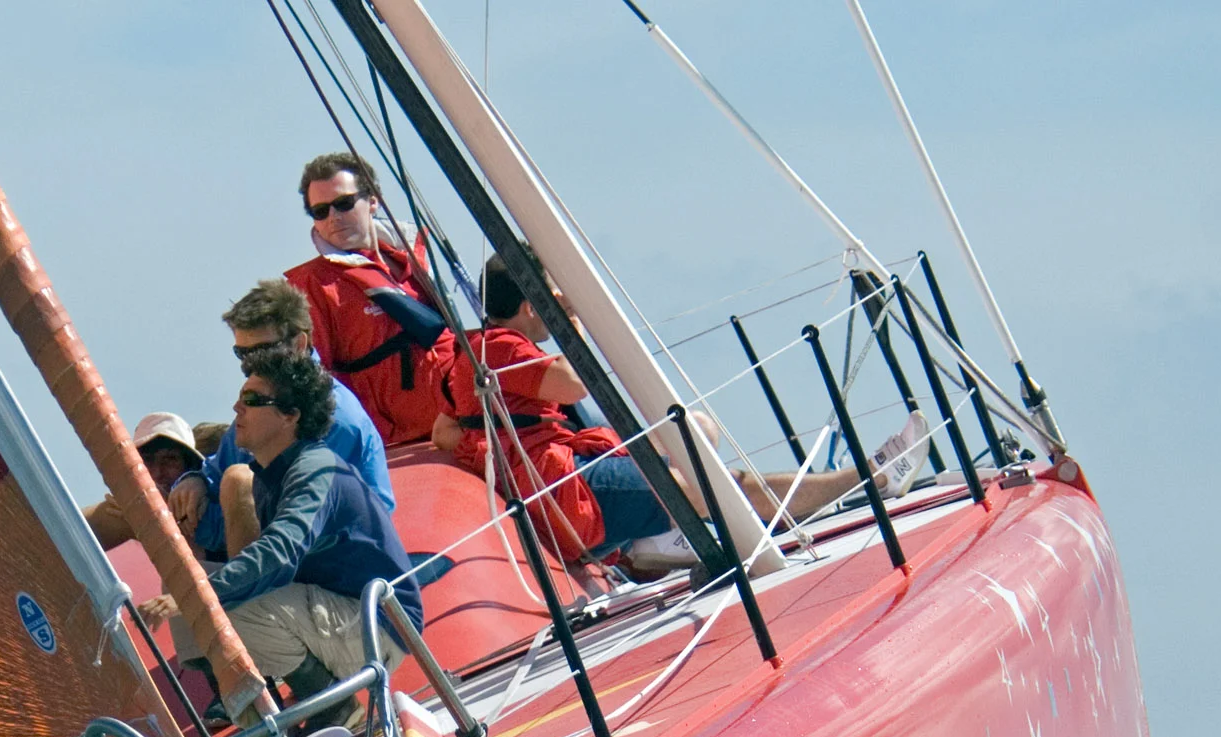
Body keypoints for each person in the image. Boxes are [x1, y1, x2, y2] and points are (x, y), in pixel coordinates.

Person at [435, 253, 903, 567]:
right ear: (530, 306)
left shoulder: (473, 351)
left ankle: (656, 539)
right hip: (569, 491)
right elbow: (573, 383)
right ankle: (869, 480)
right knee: (709, 485)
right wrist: (574, 321)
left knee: (697, 429)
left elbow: (443, 431)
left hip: (568, 470)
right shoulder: (498, 349)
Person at [134, 350, 419, 690]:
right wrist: (188, 485)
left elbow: (281, 550)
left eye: (253, 400)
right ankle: (242, 707)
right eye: (239, 399)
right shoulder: (270, 475)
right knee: (187, 580)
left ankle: (332, 704)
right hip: (336, 612)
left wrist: (193, 595)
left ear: (290, 416)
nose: (237, 409)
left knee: (224, 606)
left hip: (378, 626)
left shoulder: (315, 470)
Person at [206, 279, 393, 561]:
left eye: (261, 351)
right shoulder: (259, 404)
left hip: (330, 570)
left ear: (299, 343)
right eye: (241, 353)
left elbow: (291, 526)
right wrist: (193, 482)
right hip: (272, 556)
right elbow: (216, 473)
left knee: (239, 481)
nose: (249, 364)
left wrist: (205, 524)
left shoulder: (335, 417)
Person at [284, 152, 454, 447]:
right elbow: (310, 378)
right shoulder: (313, 285)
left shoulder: (416, 257)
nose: (334, 217)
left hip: (456, 422)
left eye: (344, 204)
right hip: (393, 442)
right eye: (320, 211)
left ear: (373, 200)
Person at [82, 412, 221, 558]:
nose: (158, 472)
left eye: (170, 460)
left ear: (190, 468)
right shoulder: (121, 511)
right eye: (147, 461)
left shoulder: (212, 511)